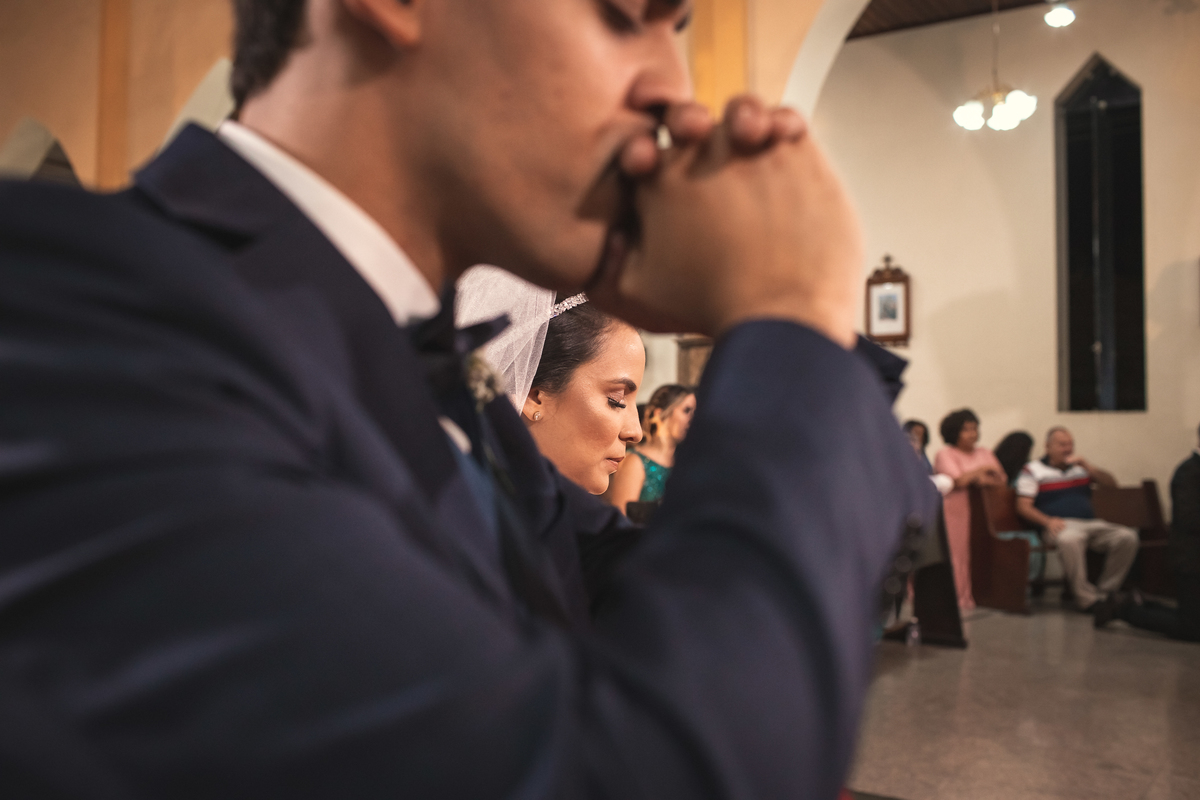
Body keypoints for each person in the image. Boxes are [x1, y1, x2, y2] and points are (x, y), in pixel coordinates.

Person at [0, 1, 936, 798]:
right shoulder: (61, 299)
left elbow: (640, 586)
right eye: (622, 13)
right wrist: (783, 317)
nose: (673, 91)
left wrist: (809, 349)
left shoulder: (448, 374)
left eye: (680, 27)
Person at [1015, 427, 1139, 612]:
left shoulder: (1081, 469)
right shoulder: (1033, 470)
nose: (1067, 449)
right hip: (1059, 525)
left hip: (1090, 523)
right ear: (1047, 446)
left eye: (1070, 444)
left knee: (1127, 537)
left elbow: (1112, 485)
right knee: (1070, 539)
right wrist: (1047, 521)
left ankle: (1106, 593)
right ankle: (1087, 600)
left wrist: (1088, 466)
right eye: (1062, 444)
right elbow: (1023, 506)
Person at [1095, 429, 1200, 640]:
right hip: (1191, 560)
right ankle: (1125, 610)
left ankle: (1138, 602)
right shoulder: (1189, 472)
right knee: (1193, 629)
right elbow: (1189, 517)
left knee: (1192, 620)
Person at [934, 408, 1006, 611]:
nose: (972, 434)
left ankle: (977, 595)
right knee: (957, 554)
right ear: (954, 431)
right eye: (966, 429)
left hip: (983, 514)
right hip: (954, 510)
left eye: (974, 429)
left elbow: (1000, 479)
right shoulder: (945, 454)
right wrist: (981, 471)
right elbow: (957, 480)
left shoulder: (985, 452)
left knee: (977, 553)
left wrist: (977, 477)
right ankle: (957, 598)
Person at [608, 384, 696, 509]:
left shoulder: (685, 462)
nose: (692, 419)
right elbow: (621, 520)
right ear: (660, 414)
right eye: (686, 411)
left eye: (695, 412)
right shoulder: (635, 462)